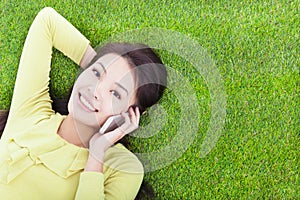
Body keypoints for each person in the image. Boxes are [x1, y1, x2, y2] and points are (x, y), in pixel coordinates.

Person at [0, 7, 167, 199]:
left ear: (131, 114)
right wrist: (99, 61)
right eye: (96, 73)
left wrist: (96, 154)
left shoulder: (123, 167)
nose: (94, 90)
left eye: (115, 93)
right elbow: (47, 22)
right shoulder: (33, 110)